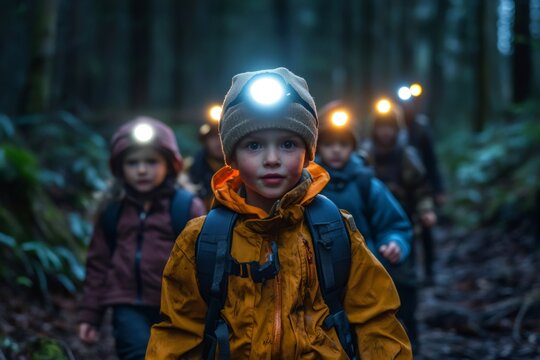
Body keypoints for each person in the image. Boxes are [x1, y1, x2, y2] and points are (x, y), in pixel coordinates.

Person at [146, 67, 412, 359]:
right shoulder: (202, 240)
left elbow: (377, 322)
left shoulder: (335, 230)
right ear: (232, 157)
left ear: (308, 153)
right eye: (254, 145)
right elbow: (179, 334)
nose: (272, 159)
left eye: (288, 144)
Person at [78, 117, 206, 360]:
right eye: (132, 162)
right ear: (119, 168)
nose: (142, 170)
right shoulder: (113, 210)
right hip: (127, 304)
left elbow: (205, 262)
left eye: (151, 161)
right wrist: (90, 316)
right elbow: (98, 264)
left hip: (176, 308)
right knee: (137, 353)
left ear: (170, 164)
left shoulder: (186, 206)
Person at [362, 100, 437, 353]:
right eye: (381, 127)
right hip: (372, 230)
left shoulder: (407, 155)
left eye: (390, 127)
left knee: (406, 282)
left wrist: (426, 210)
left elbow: (421, 187)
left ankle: (412, 335)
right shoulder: (365, 154)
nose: (386, 132)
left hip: (404, 229)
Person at [315, 100, 413, 269]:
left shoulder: (366, 184)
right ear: (317, 147)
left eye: (343, 144)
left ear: (353, 147)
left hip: (364, 274)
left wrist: (395, 242)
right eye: (328, 144)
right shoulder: (308, 185)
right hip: (317, 278)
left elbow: (394, 224)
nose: (336, 150)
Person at [398, 83, 445, 284]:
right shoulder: (394, 128)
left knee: (426, 228)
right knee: (406, 229)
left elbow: (432, 160)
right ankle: (410, 271)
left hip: (422, 186)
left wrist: (439, 189)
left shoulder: (421, 128)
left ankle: (430, 269)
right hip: (401, 188)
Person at [188, 105, 225, 210]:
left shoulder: (242, 168)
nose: (218, 141)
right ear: (204, 141)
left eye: (222, 135)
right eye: (213, 136)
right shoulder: (190, 170)